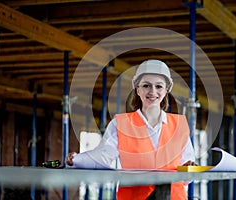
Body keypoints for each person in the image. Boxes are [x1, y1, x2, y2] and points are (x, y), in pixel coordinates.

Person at [66, 59, 196, 200]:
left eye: (159, 86)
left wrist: (189, 167)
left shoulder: (179, 126)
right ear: (137, 89)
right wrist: (77, 160)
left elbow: (187, 176)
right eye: (146, 85)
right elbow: (103, 157)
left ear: (166, 90)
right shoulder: (120, 124)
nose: (152, 91)